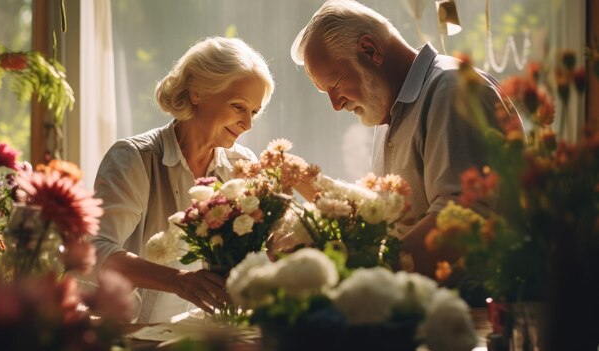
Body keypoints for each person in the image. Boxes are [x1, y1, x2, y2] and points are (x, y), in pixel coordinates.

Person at [290, 0, 523, 279]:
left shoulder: (451, 91)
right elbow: (391, 225)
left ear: (370, 50)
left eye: (336, 84)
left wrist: (362, 274)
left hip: (486, 309)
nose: (335, 105)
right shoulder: (389, 112)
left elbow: (459, 216)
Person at [91, 37, 275, 323]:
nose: (248, 124)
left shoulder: (243, 166)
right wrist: (180, 281)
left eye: (254, 112)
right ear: (197, 92)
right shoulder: (134, 158)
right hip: (136, 338)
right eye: (239, 106)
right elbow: (97, 250)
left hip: (212, 336)